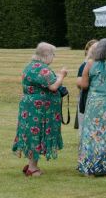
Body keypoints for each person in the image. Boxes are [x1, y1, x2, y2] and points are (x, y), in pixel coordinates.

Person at [12, 42, 67, 177]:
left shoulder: (30, 66)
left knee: (31, 134)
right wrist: (62, 75)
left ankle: (31, 165)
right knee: (36, 134)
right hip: (39, 110)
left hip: (30, 107)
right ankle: (32, 168)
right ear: (46, 55)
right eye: (53, 55)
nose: (53, 58)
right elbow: (53, 86)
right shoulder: (42, 69)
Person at [77, 38, 106, 177]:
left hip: (96, 104)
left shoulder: (91, 64)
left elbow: (84, 85)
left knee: (93, 133)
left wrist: (78, 81)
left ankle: (91, 167)